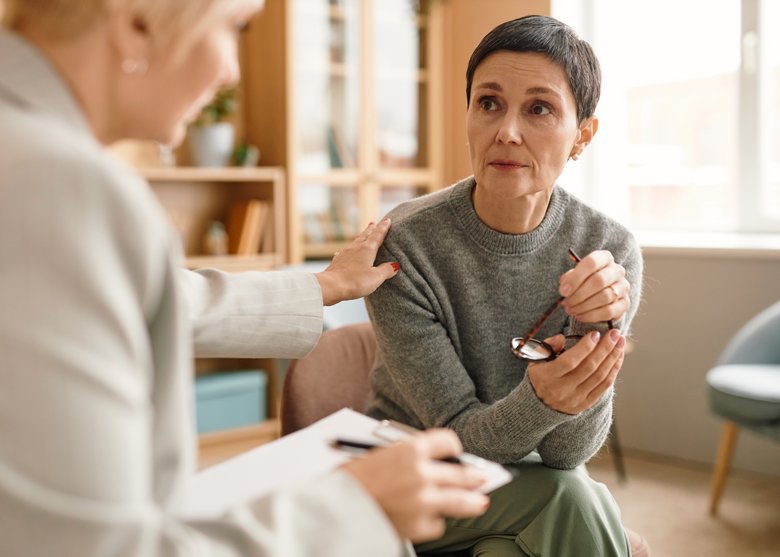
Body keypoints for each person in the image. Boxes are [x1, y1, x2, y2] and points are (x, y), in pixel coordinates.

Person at [0, 1, 491, 555]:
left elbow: (172, 299)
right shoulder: (61, 189)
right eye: (234, 27)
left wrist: (324, 287)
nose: (233, 71)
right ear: (137, 24)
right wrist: (355, 508)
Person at [365, 15, 647, 557]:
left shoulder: (607, 250)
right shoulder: (403, 245)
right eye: (488, 103)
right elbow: (458, 438)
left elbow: (569, 452)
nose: (507, 132)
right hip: (417, 480)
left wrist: (595, 325)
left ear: (582, 136)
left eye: (539, 108)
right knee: (573, 498)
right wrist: (543, 399)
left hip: (533, 485)